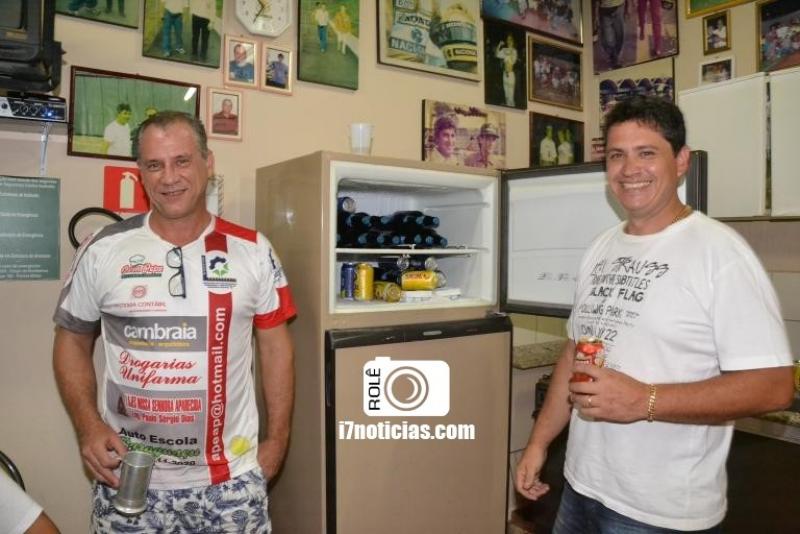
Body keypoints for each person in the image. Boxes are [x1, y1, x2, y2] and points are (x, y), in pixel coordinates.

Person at [514, 96, 793, 533]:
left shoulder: (720, 253)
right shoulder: (601, 247)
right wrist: (538, 443)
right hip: (581, 488)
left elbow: (773, 387)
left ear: (681, 161)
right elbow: (574, 353)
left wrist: (644, 400)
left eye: (646, 153)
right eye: (617, 155)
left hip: (659, 513)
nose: (630, 169)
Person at [53, 111, 296, 533]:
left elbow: (277, 349)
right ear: (140, 173)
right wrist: (88, 426)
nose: (169, 178)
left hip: (230, 481)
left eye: (182, 161)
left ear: (208, 162)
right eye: (154, 165)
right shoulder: (102, 250)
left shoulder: (253, 250)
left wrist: (277, 442)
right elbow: (71, 340)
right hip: (128, 476)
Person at [595, 0, 627, 69]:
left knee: (620, 34)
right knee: (607, 39)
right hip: (604, 10)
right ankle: (614, 57)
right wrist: (596, 15)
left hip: (619, 6)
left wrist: (629, 6)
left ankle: (616, 57)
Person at [495, 33, 519, 107]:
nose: (509, 41)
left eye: (510, 40)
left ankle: (512, 107)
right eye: (508, 39)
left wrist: (510, 51)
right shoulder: (504, 50)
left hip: (511, 74)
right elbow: (496, 54)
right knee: (506, 94)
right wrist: (499, 44)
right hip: (505, 74)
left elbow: (512, 61)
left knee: (511, 95)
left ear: (513, 41)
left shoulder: (514, 51)